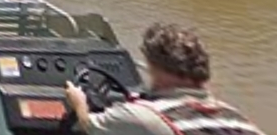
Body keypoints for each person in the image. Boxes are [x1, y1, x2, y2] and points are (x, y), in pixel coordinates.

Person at [65, 23, 266, 135]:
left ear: (154, 66)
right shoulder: (238, 119)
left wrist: (79, 102)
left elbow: (89, 126)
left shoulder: (141, 116)